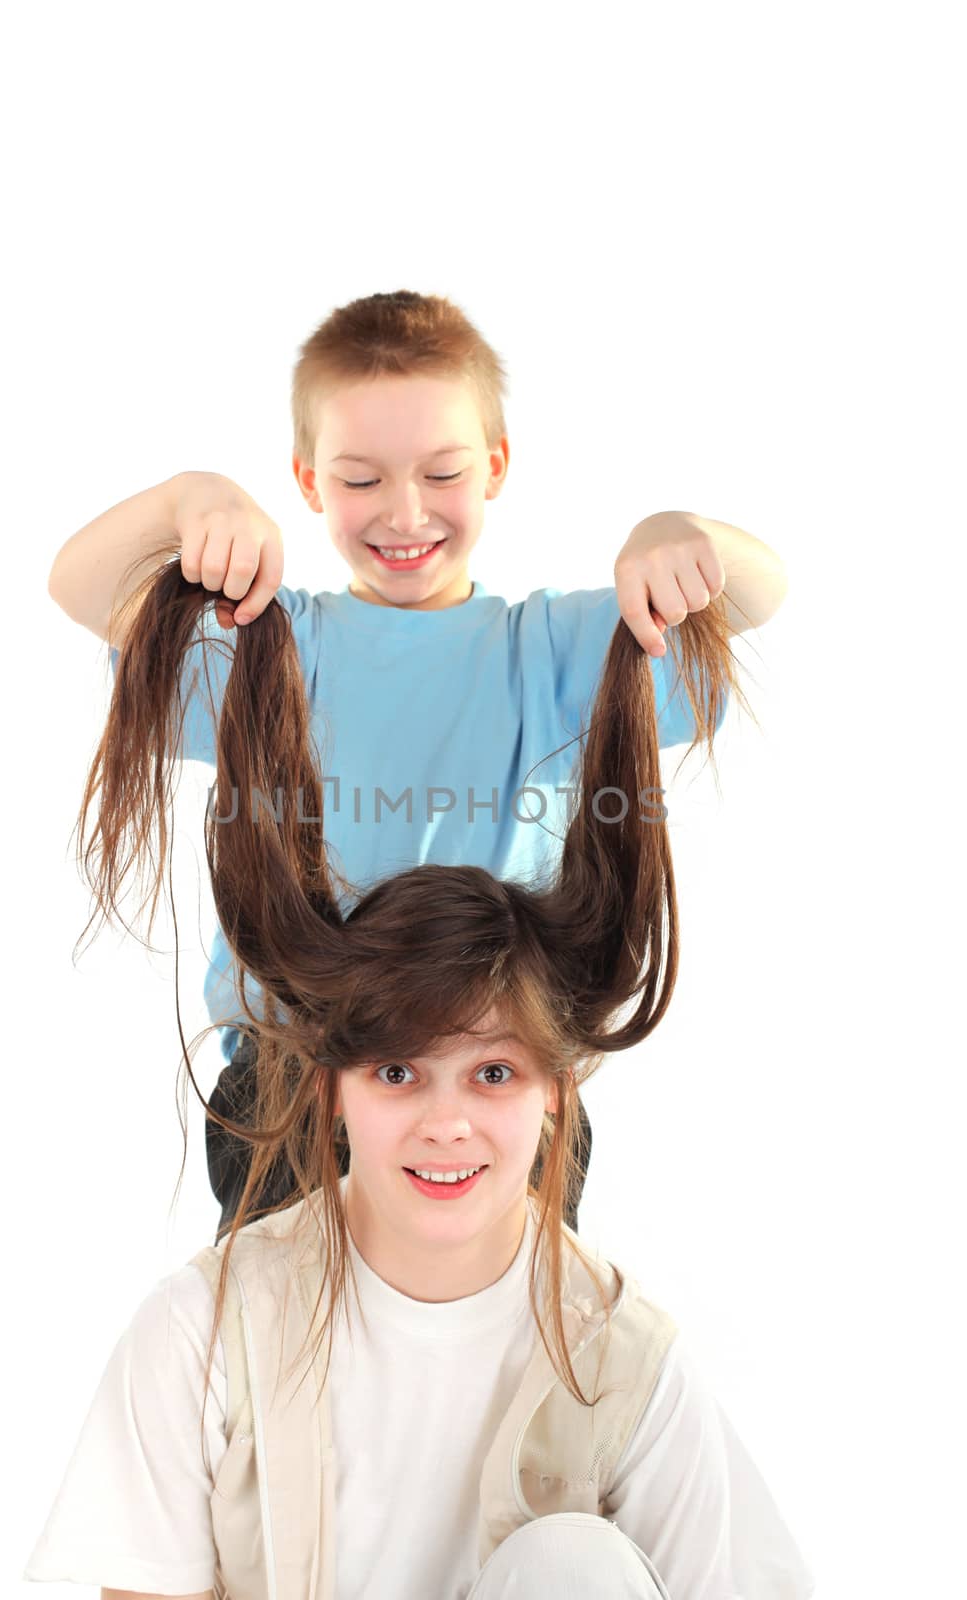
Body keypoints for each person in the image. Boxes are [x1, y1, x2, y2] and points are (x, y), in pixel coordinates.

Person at [25, 585, 813, 1599]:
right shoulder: (204, 1329)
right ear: (332, 1092)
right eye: (397, 1071)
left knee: (569, 1561)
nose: (446, 1122)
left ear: (554, 1099)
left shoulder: (620, 1353)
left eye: (493, 1073)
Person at [49, 289, 789, 1238]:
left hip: (496, 1074)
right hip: (291, 1082)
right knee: (286, 1357)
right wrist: (191, 497)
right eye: (360, 480)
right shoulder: (268, 647)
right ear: (308, 481)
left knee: (504, 1362)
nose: (405, 512)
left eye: (441, 473)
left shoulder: (553, 652)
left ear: (495, 467)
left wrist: (680, 534)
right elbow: (80, 590)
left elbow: (760, 594)